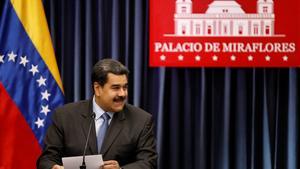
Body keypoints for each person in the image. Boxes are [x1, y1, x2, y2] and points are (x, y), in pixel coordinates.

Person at [37, 59, 157, 169]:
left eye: (124, 87)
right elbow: (46, 159)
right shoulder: (65, 116)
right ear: (97, 88)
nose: (122, 94)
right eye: (115, 88)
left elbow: (149, 162)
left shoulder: (141, 120)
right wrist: (54, 167)